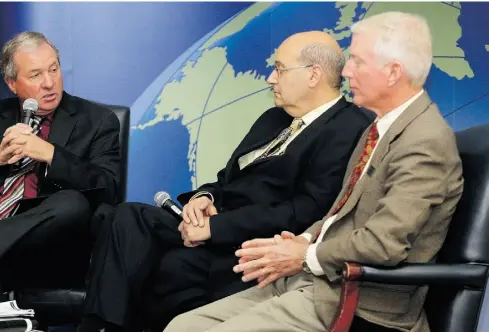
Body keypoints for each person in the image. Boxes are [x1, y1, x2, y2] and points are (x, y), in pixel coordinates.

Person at [165, 11, 465, 332]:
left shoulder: (425, 142)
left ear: (392, 72)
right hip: (313, 281)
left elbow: (383, 244)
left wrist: (305, 254)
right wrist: (301, 240)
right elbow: (341, 212)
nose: (346, 71)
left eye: (358, 62)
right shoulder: (378, 130)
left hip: (359, 301)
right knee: (182, 326)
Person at [79, 31, 374, 332]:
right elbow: (227, 179)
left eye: (280, 69)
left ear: (313, 75)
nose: (271, 79)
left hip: (252, 243)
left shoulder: (349, 128)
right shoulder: (273, 118)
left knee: (170, 267)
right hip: (216, 225)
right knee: (127, 217)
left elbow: (307, 211)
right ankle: (99, 327)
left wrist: (214, 229)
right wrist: (204, 199)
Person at [0, 31, 122, 300]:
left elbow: (108, 187)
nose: (50, 83)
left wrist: (51, 154)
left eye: (54, 69)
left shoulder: (97, 121)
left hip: (46, 247)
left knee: (73, 203)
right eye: (35, 75)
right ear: (11, 83)